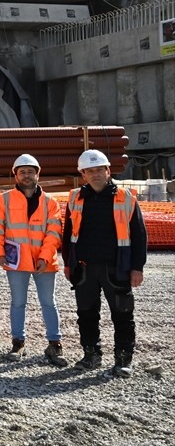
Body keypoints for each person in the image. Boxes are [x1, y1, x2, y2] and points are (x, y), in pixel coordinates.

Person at [62, 149, 147, 377]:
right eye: (90, 171)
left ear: (108, 171)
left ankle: (123, 360)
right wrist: (68, 263)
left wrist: (137, 267)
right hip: (85, 267)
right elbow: (68, 233)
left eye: (99, 169)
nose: (96, 174)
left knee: (122, 315)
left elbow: (139, 235)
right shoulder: (75, 198)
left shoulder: (126, 197)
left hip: (116, 267)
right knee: (87, 314)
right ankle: (91, 355)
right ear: (83, 175)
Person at [0, 154, 66, 365]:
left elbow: (53, 233)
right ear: (15, 175)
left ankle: (54, 344)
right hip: (16, 262)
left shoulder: (50, 202)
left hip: (44, 262)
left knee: (48, 302)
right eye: (22, 171)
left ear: (37, 173)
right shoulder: (2, 200)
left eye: (30, 171)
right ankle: (18, 342)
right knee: (18, 303)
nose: (26, 175)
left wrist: (44, 257)